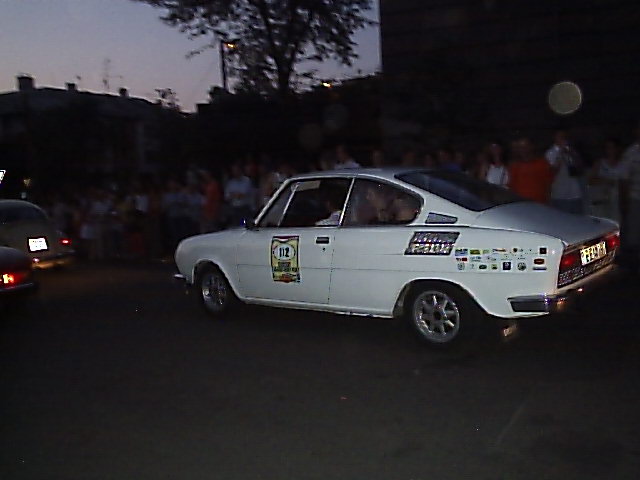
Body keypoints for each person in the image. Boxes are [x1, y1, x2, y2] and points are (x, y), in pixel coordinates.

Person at [545, 129, 585, 214]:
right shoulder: (550, 153)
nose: (563, 139)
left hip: (575, 193)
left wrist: (572, 154)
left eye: (564, 137)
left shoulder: (571, 151)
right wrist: (561, 154)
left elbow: (580, 169)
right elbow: (552, 172)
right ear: (554, 137)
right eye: (560, 136)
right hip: (560, 195)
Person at [588, 139, 625, 222]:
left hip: (616, 201)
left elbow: (624, 184)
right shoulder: (599, 163)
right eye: (608, 147)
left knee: (615, 224)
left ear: (617, 149)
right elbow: (590, 181)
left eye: (612, 147)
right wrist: (606, 181)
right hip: (601, 201)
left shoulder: (622, 164)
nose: (610, 150)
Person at [508, 137, 554, 204]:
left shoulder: (542, 163)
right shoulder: (514, 165)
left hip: (539, 203)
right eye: (520, 147)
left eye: (525, 146)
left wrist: (548, 202)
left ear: (531, 147)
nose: (522, 150)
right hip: (520, 204)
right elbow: (512, 186)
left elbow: (548, 185)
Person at [619, 123, 640, 269]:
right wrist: (624, 201)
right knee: (634, 233)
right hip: (635, 198)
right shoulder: (631, 153)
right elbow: (624, 179)